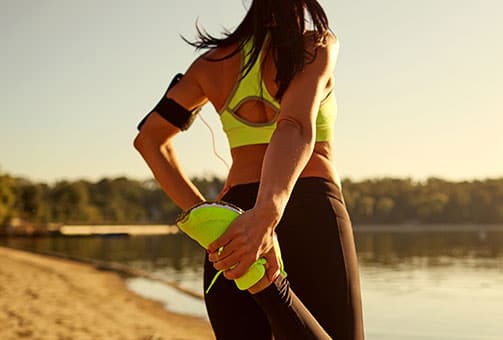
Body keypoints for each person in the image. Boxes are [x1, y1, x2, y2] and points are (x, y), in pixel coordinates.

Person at [133, 0, 364, 339]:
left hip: (234, 221)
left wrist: (206, 217)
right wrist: (267, 214)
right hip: (309, 207)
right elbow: (294, 125)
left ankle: (265, 284)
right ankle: (270, 285)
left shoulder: (211, 64)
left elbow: (149, 141)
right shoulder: (315, 46)